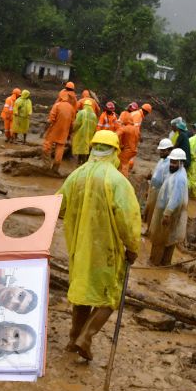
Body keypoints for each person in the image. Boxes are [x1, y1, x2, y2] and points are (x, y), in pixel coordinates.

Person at [57, 130, 140, 361]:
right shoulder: (117, 181)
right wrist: (132, 247)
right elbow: (128, 219)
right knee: (109, 296)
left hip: (79, 247)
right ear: (114, 152)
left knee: (83, 292)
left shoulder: (76, 176)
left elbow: (58, 206)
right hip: (107, 251)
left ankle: (73, 338)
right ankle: (87, 336)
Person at [149, 148, 189, 266]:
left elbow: (176, 198)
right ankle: (165, 264)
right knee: (169, 239)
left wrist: (167, 214)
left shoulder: (179, 178)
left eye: (175, 162)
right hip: (168, 210)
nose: (172, 164)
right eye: (171, 161)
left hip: (168, 212)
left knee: (159, 239)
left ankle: (154, 263)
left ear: (181, 163)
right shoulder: (177, 173)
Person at [144, 137, 174, 227]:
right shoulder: (161, 161)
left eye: (163, 151)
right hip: (154, 189)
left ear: (169, 151)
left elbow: (167, 180)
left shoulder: (170, 163)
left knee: (156, 213)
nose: (161, 152)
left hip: (160, 191)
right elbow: (157, 174)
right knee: (150, 211)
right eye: (160, 150)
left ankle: (152, 230)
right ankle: (148, 229)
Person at [42, 94, 75, 173]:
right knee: (60, 149)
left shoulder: (57, 105)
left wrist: (44, 130)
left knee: (46, 147)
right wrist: (69, 134)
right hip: (64, 132)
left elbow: (50, 120)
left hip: (53, 131)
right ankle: (55, 168)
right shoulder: (72, 109)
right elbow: (72, 124)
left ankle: (46, 167)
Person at [71, 98, 98, 165]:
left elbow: (77, 123)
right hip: (90, 135)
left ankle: (79, 164)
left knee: (80, 148)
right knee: (86, 149)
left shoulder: (81, 113)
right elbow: (95, 127)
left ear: (84, 105)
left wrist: (73, 130)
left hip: (81, 133)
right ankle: (84, 164)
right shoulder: (94, 115)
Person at [115, 110, 139, 176]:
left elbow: (115, 135)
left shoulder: (124, 128)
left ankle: (123, 178)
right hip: (133, 150)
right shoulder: (136, 129)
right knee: (126, 163)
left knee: (123, 163)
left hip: (127, 150)